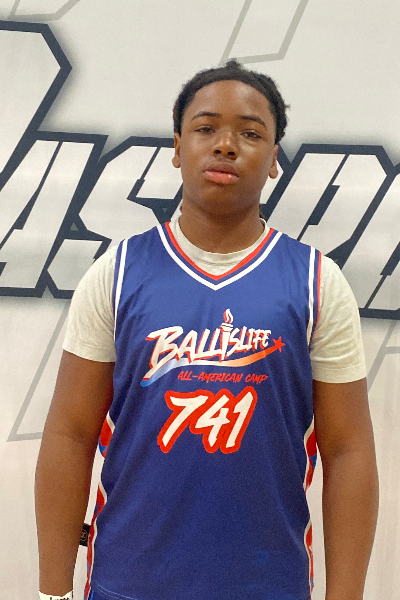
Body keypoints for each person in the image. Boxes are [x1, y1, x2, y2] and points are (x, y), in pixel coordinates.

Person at [35, 60, 378, 600]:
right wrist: (52, 593)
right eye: (205, 128)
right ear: (177, 147)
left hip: (269, 585)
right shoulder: (117, 273)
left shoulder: (317, 282)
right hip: (128, 582)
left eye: (250, 133)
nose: (225, 145)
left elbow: (348, 451)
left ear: (274, 160)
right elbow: (70, 435)